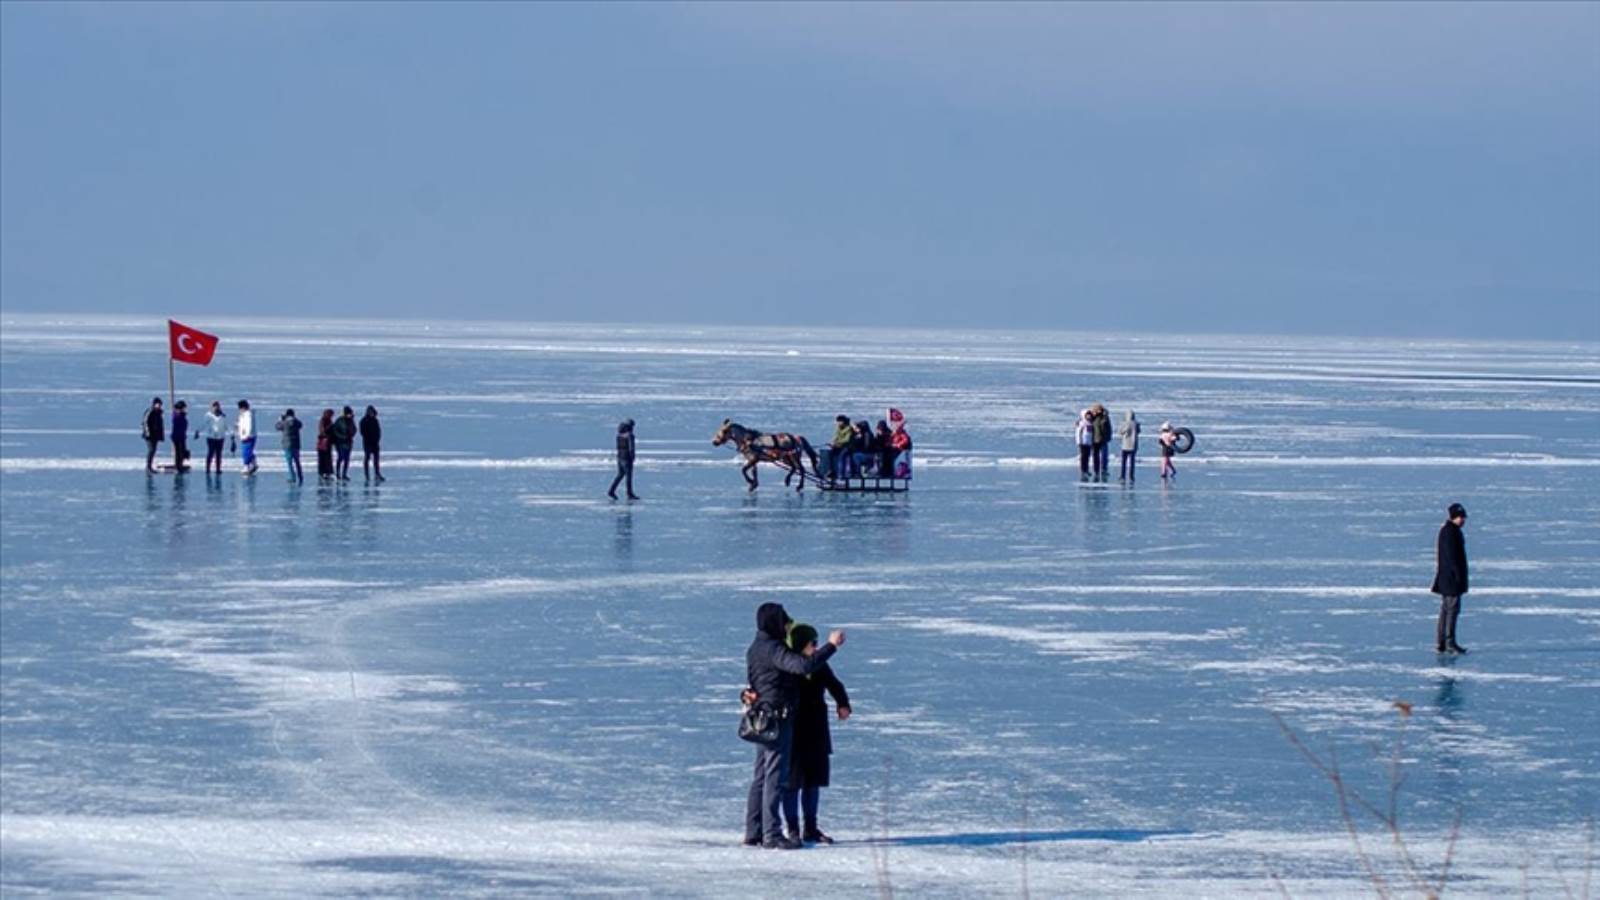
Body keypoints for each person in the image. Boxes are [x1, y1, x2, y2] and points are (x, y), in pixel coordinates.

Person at [743, 602, 845, 850]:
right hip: (776, 719)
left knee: (761, 776)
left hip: (761, 719)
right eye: (784, 621)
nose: (787, 626)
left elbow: (755, 683)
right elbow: (802, 666)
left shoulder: (755, 648)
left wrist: (747, 695)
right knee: (775, 777)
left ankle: (754, 831)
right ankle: (771, 834)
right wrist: (832, 646)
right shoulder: (773, 649)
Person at [780, 622, 851, 845]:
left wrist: (843, 703)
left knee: (813, 780)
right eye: (812, 643)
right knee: (792, 782)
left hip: (816, 728)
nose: (816, 647)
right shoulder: (788, 665)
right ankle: (792, 828)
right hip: (793, 729)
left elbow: (834, 684)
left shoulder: (818, 665)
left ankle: (810, 827)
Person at [1432, 503, 1470, 654]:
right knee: (1451, 610)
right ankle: (1449, 641)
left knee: (1446, 610)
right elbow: (1452, 558)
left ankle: (1442, 641)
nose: (1463, 520)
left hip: (1447, 579)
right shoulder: (1450, 532)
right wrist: (1458, 576)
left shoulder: (1449, 531)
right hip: (1451, 580)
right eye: (1461, 517)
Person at [608, 418, 638, 500]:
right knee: (628, 476)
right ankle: (629, 493)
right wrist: (632, 457)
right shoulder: (630, 435)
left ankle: (611, 490)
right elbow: (631, 448)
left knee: (620, 475)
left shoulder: (619, 435)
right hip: (627, 458)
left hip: (619, 457)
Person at [276, 409, 304, 485]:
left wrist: (280, 420)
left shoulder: (285, 423)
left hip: (287, 445)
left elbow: (277, 427)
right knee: (297, 461)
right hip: (296, 444)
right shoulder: (296, 422)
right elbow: (301, 424)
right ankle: (300, 476)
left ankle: (292, 477)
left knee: (289, 462)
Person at [330, 406, 356, 481]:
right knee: (341, 457)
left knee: (347, 459)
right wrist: (342, 436)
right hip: (340, 443)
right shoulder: (339, 421)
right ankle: (338, 474)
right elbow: (335, 431)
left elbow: (354, 429)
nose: (349, 415)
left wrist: (351, 434)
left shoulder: (351, 421)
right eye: (348, 414)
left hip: (349, 442)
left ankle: (344, 474)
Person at [359, 406, 384, 483]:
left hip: (375, 443)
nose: (371, 414)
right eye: (370, 412)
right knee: (367, 458)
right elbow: (362, 432)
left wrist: (377, 439)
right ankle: (367, 475)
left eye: (372, 412)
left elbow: (378, 431)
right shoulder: (364, 421)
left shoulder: (375, 420)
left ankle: (377, 474)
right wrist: (368, 438)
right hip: (367, 443)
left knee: (376, 460)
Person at [203, 401, 228, 475]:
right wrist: (198, 431)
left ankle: (218, 469)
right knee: (210, 453)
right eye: (214, 406)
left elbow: (226, 426)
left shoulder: (222, 416)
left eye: (217, 406)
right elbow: (204, 424)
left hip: (220, 438)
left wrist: (232, 434)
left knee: (219, 454)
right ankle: (208, 469)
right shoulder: (208, 415)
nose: (216, 408)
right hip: (211, 437)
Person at [141, 397, 165, 473]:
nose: (159, 406)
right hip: (150, 435)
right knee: (151, 450)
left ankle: (150, 466)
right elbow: (145, 423)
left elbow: (160, 425)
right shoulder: (150, 412)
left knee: (153, 450)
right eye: (158, 404)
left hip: (155, 435)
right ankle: (148, 466)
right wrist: (148, 433)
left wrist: (160, 435)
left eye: (160, 405)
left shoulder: (159, 413)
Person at [235, 400, 258, 476]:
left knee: (246, 452)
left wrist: (247, 435)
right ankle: (253, 463)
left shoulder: (248, 415)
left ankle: (246, 466)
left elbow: (249, 426)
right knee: (247, 451)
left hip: (248, 436)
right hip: (244, 436)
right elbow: (241, 424)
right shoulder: (243, 415)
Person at [1118, 410, 1141, 482]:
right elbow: (1139, 431)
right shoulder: (1136, 424)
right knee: (1132, 462)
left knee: (1123, 462)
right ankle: (1131, 476)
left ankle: (1122, 476)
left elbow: (1120, 432)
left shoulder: (1124, 424)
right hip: (1133, 445)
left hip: (1125, 445)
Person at [829, 415, 854, 480]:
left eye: (839, 422)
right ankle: (832, 471)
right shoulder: (838, 428)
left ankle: (841, 474)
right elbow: (836, 437)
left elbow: (847, 440)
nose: (838, 423)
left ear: (843, 422)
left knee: (841, 457)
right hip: (839, 446)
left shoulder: (849, 429)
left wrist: (838, 443)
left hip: (847, 447)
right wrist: (833, 443)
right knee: (830, 454)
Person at [1091, 404, 1112, 479]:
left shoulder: (1105, 418)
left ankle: (1104, 469)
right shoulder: (1093, 417)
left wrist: (1108, 437)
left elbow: (1108, 428)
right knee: (1095, 456)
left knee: (1104, 455)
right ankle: (1096, 470)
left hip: (1103, 439)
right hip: (1095, 439)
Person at [171, 400, 191, 472]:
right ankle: (178, 466)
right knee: (178, 452)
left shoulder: (181, 415)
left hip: (182, 436)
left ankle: (180, 464)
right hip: (177, 436)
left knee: (182, 451)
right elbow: (176, 420)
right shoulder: (177, 416)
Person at [316, 409, 335, 481]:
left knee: (327, 458)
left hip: (327, 442)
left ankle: (327, 472)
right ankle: (323, 472)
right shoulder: (323, 421)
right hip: (323, 442)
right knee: (323, 458)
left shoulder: (328, 421)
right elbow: (323, 431)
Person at [1074, 409, 1094, 479]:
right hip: (1082, 443)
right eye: (1087, 415)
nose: (1089, 416)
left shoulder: (1090, 423)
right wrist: (1079, 442)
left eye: (1089, 415)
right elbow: (1078, 433)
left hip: (1088, 443)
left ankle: (1086, 470)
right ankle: (1083, 470)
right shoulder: (1082, 423)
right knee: (1083, 457)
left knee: (1087, 457)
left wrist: (1091, 442)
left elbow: (1091, 434)